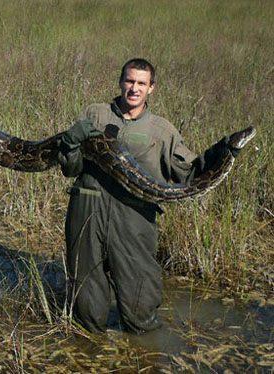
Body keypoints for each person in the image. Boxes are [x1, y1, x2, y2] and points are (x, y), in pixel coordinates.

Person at [58, 58, 236, 333]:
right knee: (86, 304)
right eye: (130, 81)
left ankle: (140, 352)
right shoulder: (95, 114)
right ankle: (89, 353)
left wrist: (222, 153)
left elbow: (189, 175)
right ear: (120, 82)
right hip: (88, 208)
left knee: (139, 306)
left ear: (151, 88)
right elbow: (71, 168)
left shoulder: (161, 130)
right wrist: (69, 145)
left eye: (141, 83)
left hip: (134, 217)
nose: (134, 88)